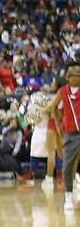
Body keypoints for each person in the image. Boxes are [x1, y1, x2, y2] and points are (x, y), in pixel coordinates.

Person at [42, 63, 80, 210]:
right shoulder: (63, 91)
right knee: (67, 165)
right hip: (70, 133)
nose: (76, 77)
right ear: (69, 78)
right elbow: (52, 106)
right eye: (74, 74)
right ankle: (68, 196)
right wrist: (58, 124)